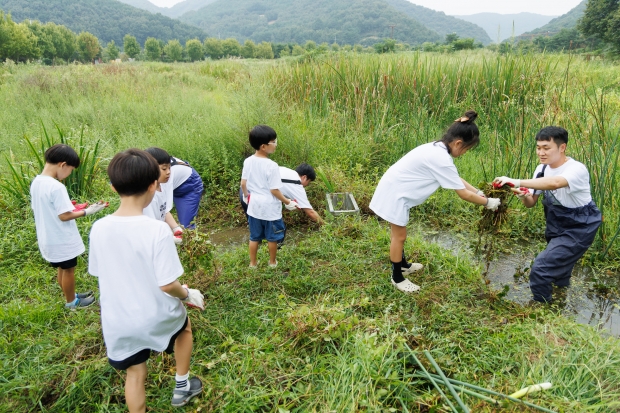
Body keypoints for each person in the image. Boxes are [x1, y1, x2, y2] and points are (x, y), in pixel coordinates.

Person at [89, 149, 205, 411]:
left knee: (135, 373)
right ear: (154, 184)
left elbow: (102, 272)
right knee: (184, 329)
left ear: (113, 186)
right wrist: (187, 294)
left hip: (118, 322)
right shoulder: (156, 230)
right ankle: (182, 387)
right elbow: (167, 284)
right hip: (155, 314)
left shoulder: (99, 228)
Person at [370, 111, 501, 293]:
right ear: (458, 143)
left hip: (393, 189)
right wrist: (488, 202)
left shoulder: (436, 148)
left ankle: (404, 265)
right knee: (399, 236)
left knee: (398, 235)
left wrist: (478, 192)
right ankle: (397, 277)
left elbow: (454, 177)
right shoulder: (440, 158)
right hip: (395, 195)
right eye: (466, 149)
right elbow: (462, 194)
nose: (464, 154)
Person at [493, 126, 601, 304]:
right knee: (560, 270)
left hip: (580, 226)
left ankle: (543, 309)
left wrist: (516, 180)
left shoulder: (576, 169)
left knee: (541, 269)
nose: (541, 152)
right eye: (538, 148)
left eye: (546, 148)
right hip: (556, 224)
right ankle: (560, 298)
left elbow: (555, 183)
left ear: (562, 147)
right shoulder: (541, 169)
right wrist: (523, 195)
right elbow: (531, 203)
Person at [30, 144, 107, 310]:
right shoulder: (56, 186)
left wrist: (73, 207)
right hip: (61, 237)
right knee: (69, 270)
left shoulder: (37, 182)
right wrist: (88, 211)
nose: (69, 174)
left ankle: (69, 294)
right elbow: (64, 216)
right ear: (63, 164)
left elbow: (46, 207)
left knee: (62, 268)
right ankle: (72, 302)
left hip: (48, 236)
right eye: (71, 169)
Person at [240, 125, 298, 268]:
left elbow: (243, 184)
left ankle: (253, 264)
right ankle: (272, 262)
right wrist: (287, 201)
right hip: (270, 208)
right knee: (272, 238)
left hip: (254, 206)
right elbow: (274, 190)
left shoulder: (248, 161)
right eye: (273, 141)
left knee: (254, 237)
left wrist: (247, 196)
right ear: (264, 146)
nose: (276, 144)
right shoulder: (272, 165)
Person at [240, 162, 323, 224]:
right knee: (278, 232)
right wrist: (326, 225)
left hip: (244, 192)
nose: (307, 185)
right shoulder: (297, 184)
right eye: (309, 182)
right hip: (256, 196)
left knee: (257, 229)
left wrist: (287, 201)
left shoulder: (286, 172)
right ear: (304, 177)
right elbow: (310, 212)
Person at [143, 147, 183, 244]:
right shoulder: (148, 196)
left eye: (169, 168)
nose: (168, 172)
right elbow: (152, 227)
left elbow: (164, 211)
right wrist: (169, 238)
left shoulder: (162, 187)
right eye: (164, 168)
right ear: (150, 168)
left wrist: (176, 228)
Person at [170, 156, 204, 229]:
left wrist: (175, 228)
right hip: (173, 184)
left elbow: (163, 209)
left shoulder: (160, 173)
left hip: (189, 184)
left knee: (186, 226)